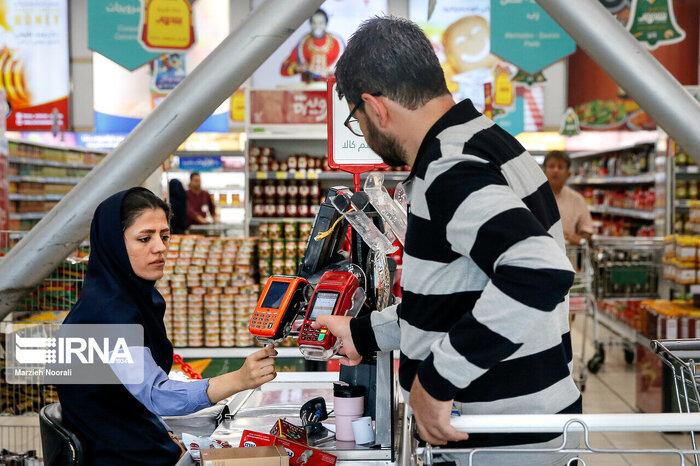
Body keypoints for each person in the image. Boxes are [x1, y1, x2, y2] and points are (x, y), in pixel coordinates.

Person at [315, 16, 581, 465]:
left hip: (499, 439)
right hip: (530, 425)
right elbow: (456, 295)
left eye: (358, 122)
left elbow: (541, 271)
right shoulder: (491, 143)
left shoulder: (450, 168)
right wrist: (363, 332)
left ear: (375, 108)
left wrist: (437, 380)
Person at [56, 188, 277, 465]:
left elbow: (123, 399)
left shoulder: (125, 299)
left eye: (164, 236)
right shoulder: (105, 318)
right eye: (144, 238)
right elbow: (156, 394)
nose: (160, 247)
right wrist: (240, 380)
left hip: (133, 443)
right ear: (114, 243)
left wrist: (162, 431)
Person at [544, 150, 593, 246]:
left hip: (568, 255)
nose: (555, 170)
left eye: (560, 167)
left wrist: (579, 238)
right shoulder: (532, 197)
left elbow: (587, 233)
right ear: (544, 172)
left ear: (568, 174)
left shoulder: (577, 200)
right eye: (551, 166)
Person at [280, 8, 344, 83]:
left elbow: (347, 68)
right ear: (310, 24)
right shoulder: (303, 45)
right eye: (314, 23)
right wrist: (298, 68)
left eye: (321, 23)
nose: (317, 26)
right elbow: (284, 69)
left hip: (331, 89)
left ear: (326, 24)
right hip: (309, 89)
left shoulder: (337, 44)